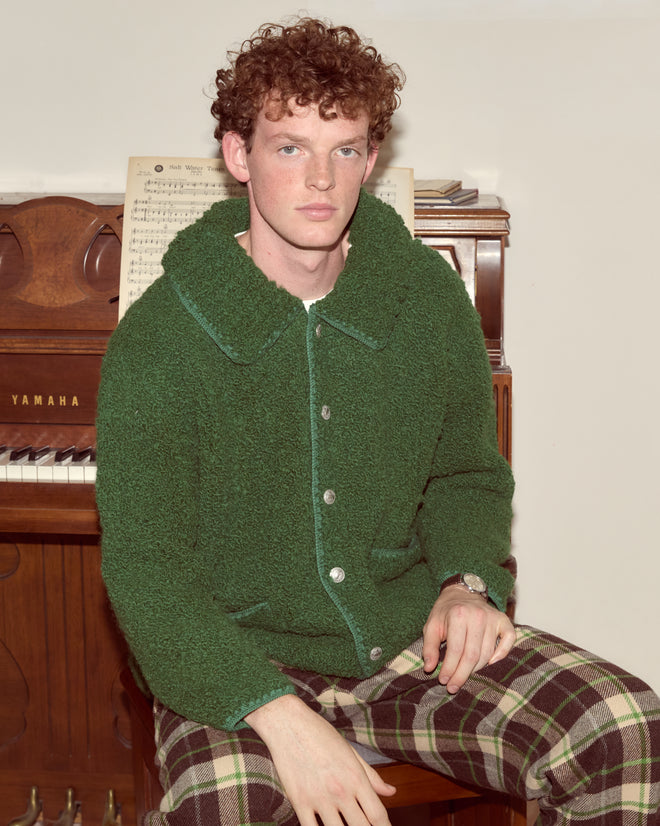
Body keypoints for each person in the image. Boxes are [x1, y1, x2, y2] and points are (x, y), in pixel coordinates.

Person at [96, 17, 660, 826]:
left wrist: (468, 582)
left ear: (371, 158)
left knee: (624, 729)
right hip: (237, 665)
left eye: (347, 149)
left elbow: (465, 475)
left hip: (406, 647)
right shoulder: (160, 338)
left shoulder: (426, 298)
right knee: (225, 812)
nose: (321, 179)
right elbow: (147, 574)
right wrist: (276, 713)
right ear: (236, 155)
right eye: (290, 147)